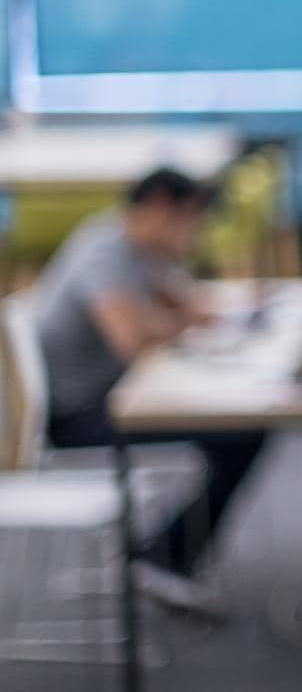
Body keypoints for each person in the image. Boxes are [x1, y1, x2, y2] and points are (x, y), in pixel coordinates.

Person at [38, 167, 266, 593]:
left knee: (234, 425)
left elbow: (191, 308)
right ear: (161, 208)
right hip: (75, 420)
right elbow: (132, 338)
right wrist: (179, 321)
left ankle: (168, 552)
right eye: (190, 220)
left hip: (114, 399)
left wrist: (224, 308)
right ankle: (163, 557)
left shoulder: (139, 252)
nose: (195, 232)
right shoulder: (104, 251)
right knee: (239, 433)